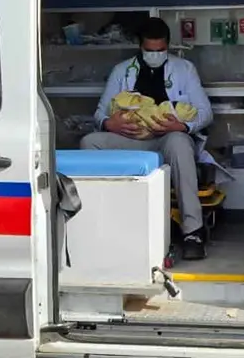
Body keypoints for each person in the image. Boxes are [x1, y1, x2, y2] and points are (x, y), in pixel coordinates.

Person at [80, 18, 213, 260]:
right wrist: (109, 123)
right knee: (90, 143)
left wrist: (183, 125)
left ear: (168, 46)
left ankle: (193, 231)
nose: (155, 55)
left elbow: (205, 113)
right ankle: (102, 222)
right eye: (150, 51)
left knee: (180, 141)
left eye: (160, 50)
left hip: (167, 139)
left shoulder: (184, 69)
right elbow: (99, 113)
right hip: (131, 139)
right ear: (140, 47)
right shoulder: (122, 71)